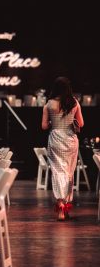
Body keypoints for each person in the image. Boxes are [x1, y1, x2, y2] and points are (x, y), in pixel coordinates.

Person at [42, 76, 84, 221]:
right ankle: (65, 205)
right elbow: (81, 123)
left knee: (58, 172)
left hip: (55, 139)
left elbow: (44, 126)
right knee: (68, 172)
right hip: (71, 140)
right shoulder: (74, 102)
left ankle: (60, 205)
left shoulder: (49, 104)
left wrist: (52, 121)